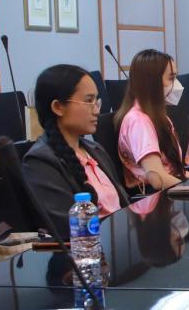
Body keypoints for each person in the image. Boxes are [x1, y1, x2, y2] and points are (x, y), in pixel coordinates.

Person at [23, 65, 130, 237]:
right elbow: (68, 230)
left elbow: (124, 206)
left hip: (120, 240)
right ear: (58, 107)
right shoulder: (40, 162)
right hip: (91, 248)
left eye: (97, 101)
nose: (97, 110)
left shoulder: (95, 150)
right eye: (88, 101)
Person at [115, 49, 188, 192]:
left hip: (172, 187)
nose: (177, 84)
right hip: (155, 196)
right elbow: (157, 179)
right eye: (171, 78)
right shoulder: (138, 121)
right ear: (152, 82)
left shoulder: (159, 116)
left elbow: (176, 170)